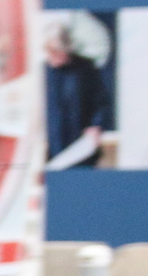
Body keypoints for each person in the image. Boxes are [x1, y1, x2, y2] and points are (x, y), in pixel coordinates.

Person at [43, 14, 112, 169]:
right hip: (54, 149)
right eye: (48, 52)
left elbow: (102, 103)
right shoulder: (45, 72)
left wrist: (97, 126)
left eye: (55, 52)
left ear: (66, 49)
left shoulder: (86, 68)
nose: (51, 57)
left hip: (82, 147)